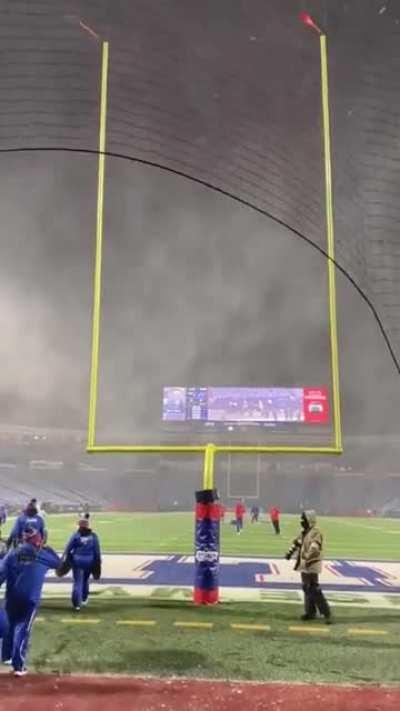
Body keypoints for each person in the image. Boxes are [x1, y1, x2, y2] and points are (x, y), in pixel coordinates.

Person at [0, 525, 60, 675]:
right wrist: (47, 548)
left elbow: (1, 573)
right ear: (38, 539)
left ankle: (6, 656)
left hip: (12, 596)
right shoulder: (43, 555)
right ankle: (18, 665)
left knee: (11, 624)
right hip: (30, 599)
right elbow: (58, 563)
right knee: (23, 628)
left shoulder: (12, 553)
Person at [285, 510, 332, 624]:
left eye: (303, 519)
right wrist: (290, 553)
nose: (301, 521)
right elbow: (297, 543)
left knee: (312, 587)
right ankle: (310, 612)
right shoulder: (304, 532)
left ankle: (325, 612)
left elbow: (315, 547)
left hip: (311, 563)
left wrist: (307, 556)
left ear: (309, 520)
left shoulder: (316, 533)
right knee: (306, 587)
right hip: (304, 563)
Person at [59, 516, 101, 611]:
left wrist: (64, 558)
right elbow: (97, 551)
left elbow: (68, 548)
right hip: (89, 561)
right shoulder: (93, 536)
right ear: (88, 526)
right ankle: (84, 598)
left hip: (77, 561)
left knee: (78, 581)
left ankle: (76, 604)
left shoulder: (76, 535)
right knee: (85, 580)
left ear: (79, 526)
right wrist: (97, 563)